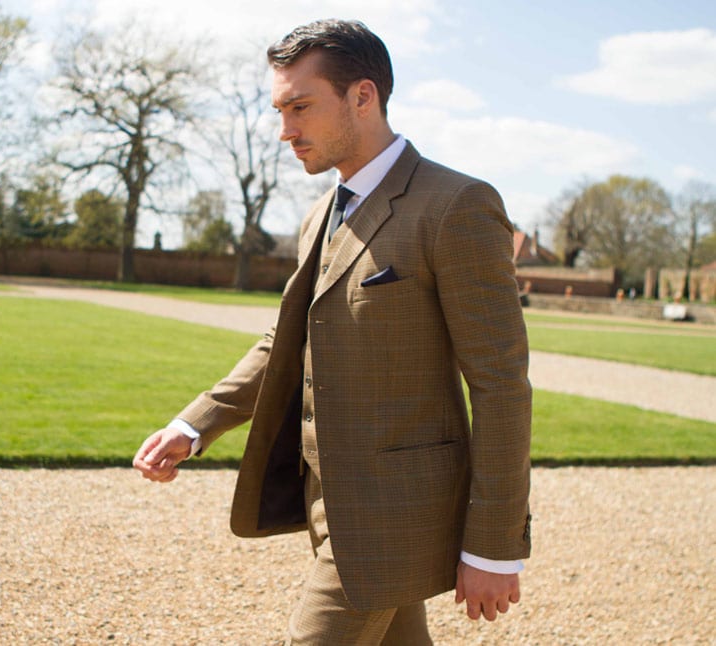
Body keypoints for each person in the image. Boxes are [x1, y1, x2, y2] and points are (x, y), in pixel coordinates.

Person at [133, 18, 532, 644]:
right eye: (280, 110)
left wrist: (495, 546)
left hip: (396, 516)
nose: (286, 130)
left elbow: (501, 383)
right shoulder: (321, 211)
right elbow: (285, 343)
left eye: (300, 107)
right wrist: (194, 424)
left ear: (363, 97)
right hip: (331, 506)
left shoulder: (456, 205)